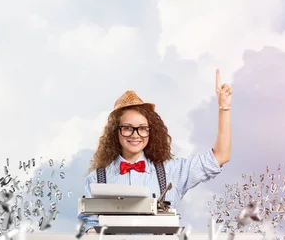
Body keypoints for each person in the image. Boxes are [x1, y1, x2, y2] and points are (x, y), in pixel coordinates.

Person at [77, 69, 232, 233]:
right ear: (115, 131)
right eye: (128, 128)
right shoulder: (96, 179)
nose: (135, 135)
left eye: (142, 128)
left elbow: (221, 156)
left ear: (151, 131)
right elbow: (88, 228)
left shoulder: (171, 171)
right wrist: (91, 231)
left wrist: (224, 108)